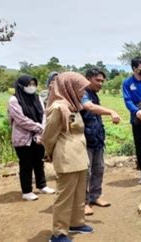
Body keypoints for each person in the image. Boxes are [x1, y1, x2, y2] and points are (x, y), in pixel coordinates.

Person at [42, 72, 94, 242]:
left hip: (79, 156)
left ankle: (76, 223)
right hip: (66, 157)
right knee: (64, 197)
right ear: (69, 87)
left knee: (79, 193)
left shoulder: (72, 105)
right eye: (80, 89)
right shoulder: (58, 108)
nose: (83, 93)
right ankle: (59, 233)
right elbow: (49, 136)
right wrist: (48, 153)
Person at [80, 68, 121, 215]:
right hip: (85, 139)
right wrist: (111, 111)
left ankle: (95, 196)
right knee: (86, 172)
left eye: (103, 81)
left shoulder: (94, 95)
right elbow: (88, 107)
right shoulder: (82, 93)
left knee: (98, 169)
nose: (101, 83)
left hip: (97, 138)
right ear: (88, 79)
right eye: (98, 80)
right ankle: (83, 202)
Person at [7, 75, 55, 201]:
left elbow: (43, 114)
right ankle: (27, 191)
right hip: (23, 138)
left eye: (34, 84)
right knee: (26, 164)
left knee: (39, 162)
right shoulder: (14, 100)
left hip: (38, 136)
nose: (32, 87)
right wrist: (38, 127)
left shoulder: (37, 97)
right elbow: (20, 120)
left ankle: (42, 185)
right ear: (21, 86)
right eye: (29, 84)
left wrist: (41, 130)